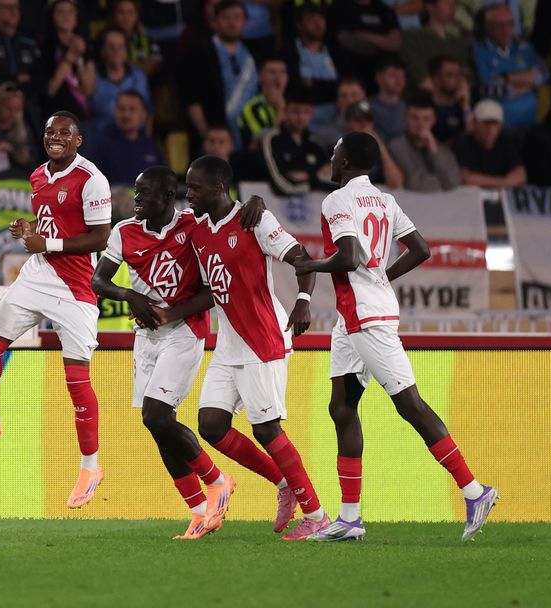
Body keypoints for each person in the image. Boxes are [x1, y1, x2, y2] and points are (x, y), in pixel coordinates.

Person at [294, 131, 497, 541]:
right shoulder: (385, 200)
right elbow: (421, 249)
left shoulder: (336, 200)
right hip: (355, 316)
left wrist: (311, 266)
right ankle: (349, 519)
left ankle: (475, 491)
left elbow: (350, 256)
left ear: (344, 162)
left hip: (367, 318)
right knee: (341, 408)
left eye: (334, 154)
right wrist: (383, 276)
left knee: (410, 405)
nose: (330, 159)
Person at [0, 111, 112, 510]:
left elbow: (100, 238)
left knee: (76, 379)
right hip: (37, 276)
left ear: (78, 140)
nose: (55, 137)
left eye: (65, 133)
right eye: (50, 132)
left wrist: (48, 244)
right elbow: (53, 224)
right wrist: (29, 231)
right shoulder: (39, 175)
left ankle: (90, 467)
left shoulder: (92, 179)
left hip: (76, 289)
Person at [90, 167, 262, 538]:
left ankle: (218, 481)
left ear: (168, 197)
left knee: (156, 414)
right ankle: (199, 512)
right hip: (147, 337)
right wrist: (130, 295)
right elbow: (98, 281)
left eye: (145, 193)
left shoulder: (193, 227)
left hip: (185, 331)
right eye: (136, 192)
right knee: (157, 424)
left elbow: (214, 289)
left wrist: (256, 201)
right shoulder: (124, 232)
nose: (137, 199)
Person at [186, 155, 331, 541]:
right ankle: (284, 483)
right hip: (228, 344)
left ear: (219, 188)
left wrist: (303, 301)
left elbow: (302, 259)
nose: (189, 194)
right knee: (211, 426)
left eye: (195, 187)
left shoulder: (255, 220)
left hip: (262, 340)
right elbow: (213, 289)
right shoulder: (198, 229)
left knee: (266, 429)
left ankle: (317, 516)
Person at [181, 0, 258, 150]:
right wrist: (206, 133)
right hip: (216, 136)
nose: (232, 23)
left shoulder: (253, 53)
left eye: (237, 17)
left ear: (245, 22)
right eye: (226, 17)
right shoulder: (199, 52)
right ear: (214, 22)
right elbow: (191, 98)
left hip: (249, 134)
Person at [473, 4, 545, 130]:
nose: (506, 30)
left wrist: (506, 78)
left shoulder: (524, 47)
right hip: (498, 126)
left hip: (530, 121)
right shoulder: (478, 51)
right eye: (500, 25)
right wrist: (528, 83)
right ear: (488, 26)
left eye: (510, 24)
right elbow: (487, 87)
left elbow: (543, 75)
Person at [388, 90, 462, 191]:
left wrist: (434, 151)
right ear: (406, 117)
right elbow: (416, 185)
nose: (420, 124)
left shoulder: (440, 147)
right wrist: (440, 181)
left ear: (433, 120)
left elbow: (453, 183)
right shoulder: (396, 146)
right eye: (415, 118)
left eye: (426, 119)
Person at [262, 90, 332, 196]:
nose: (300, 117)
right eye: (295, 111)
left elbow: (330, 180)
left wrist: (308, 176)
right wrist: (315, 179)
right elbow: (279, 185)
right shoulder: (272, 139)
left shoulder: (316, 144)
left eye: (306, 112)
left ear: (312, 114)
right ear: (285, 112)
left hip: (315, 205)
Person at [88, 90, 163, 186]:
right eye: (121, 109)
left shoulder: (152, 147)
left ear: (143, 115)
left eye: (132, 109)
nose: (126, 114)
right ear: (115, 112)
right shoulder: (101, 144)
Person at [87, 26, 150, 137]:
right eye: (111, 47)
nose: (117, 52)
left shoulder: (139, 75)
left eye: (121, 47)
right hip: (102, 138)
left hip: (135, 138)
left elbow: (148, 111)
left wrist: (146, 140)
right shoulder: (93, 77)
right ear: (102, 51)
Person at [328, 0, 402, 94]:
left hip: (383, 77)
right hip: (353, 76)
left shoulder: (384, 9)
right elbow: (345, 39)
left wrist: (367, 36)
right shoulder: (338, 8)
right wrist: (383, 43)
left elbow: (395, 44)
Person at [41, 0, 95, 122]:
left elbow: (88, 90)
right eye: (60, 12)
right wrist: (70, 57)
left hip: (79, 115)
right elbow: (50, 89)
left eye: (70, 12)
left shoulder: (85, 47)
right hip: (55, 115)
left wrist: (79, 58)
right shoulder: (44, 47)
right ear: (52, 16)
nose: (66, 16)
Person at [283, 4, 340, 118]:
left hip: (335, 114)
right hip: (300, 115)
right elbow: (295, 86)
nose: (318, 24)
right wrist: (327, 86)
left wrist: (311, 83)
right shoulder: (288, 52)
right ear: (299, 25)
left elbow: (340, 86)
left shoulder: (335, 50)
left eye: (321, 19)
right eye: (311, 20)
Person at [453, 99, 527, 188]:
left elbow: (521, 175)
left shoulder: (506, 141)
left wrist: (491, 182)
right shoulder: (464, 142)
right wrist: (505, 182)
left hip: (502, 193)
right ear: (474, 123)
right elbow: (466, 178)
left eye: (494, 123)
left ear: (500, 126)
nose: (490, 128)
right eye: (485, 123)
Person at [401, 0, 470, 88]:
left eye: (454, 4)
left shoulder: (458, 42)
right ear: (430, 7)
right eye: (446, 3)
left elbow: (465, 73)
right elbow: (417, 72)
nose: (452, 8)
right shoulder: (413, 36)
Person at [343, 100, 404, 188]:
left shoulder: (383, 144)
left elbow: (396, 183)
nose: (364, 125)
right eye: (358, 120)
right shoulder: (336, 143)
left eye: (368, 119)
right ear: (347, 122)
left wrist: (380, 146)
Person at [237, 56, 289, 151]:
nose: (278, 78)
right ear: (260, 76)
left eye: (282, 72)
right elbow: (261, 144)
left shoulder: (293, 105)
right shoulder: (252, 108)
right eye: (272, 72)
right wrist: (280, 110)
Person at [110, 0, 162, 77]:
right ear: (114, 15)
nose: (126, 17)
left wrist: (125, 64)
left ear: (137, 16)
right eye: (121, 12)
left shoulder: (147, 39)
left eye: (131, 13)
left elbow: (154, 64)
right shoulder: (106, 40)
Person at [427, 54, 471, 144]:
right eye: (451, 75)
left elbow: (473, 136)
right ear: (436, 79)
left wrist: (466, 105)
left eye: (459, 74)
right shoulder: (426, 106)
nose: (458, 79)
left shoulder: (464, 105)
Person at [369, 57, 407, 141]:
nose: (399, 80)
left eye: (402, 76)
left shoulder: (408, 107)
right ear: (378, 77)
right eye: (393, 76)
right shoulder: (368, 107)